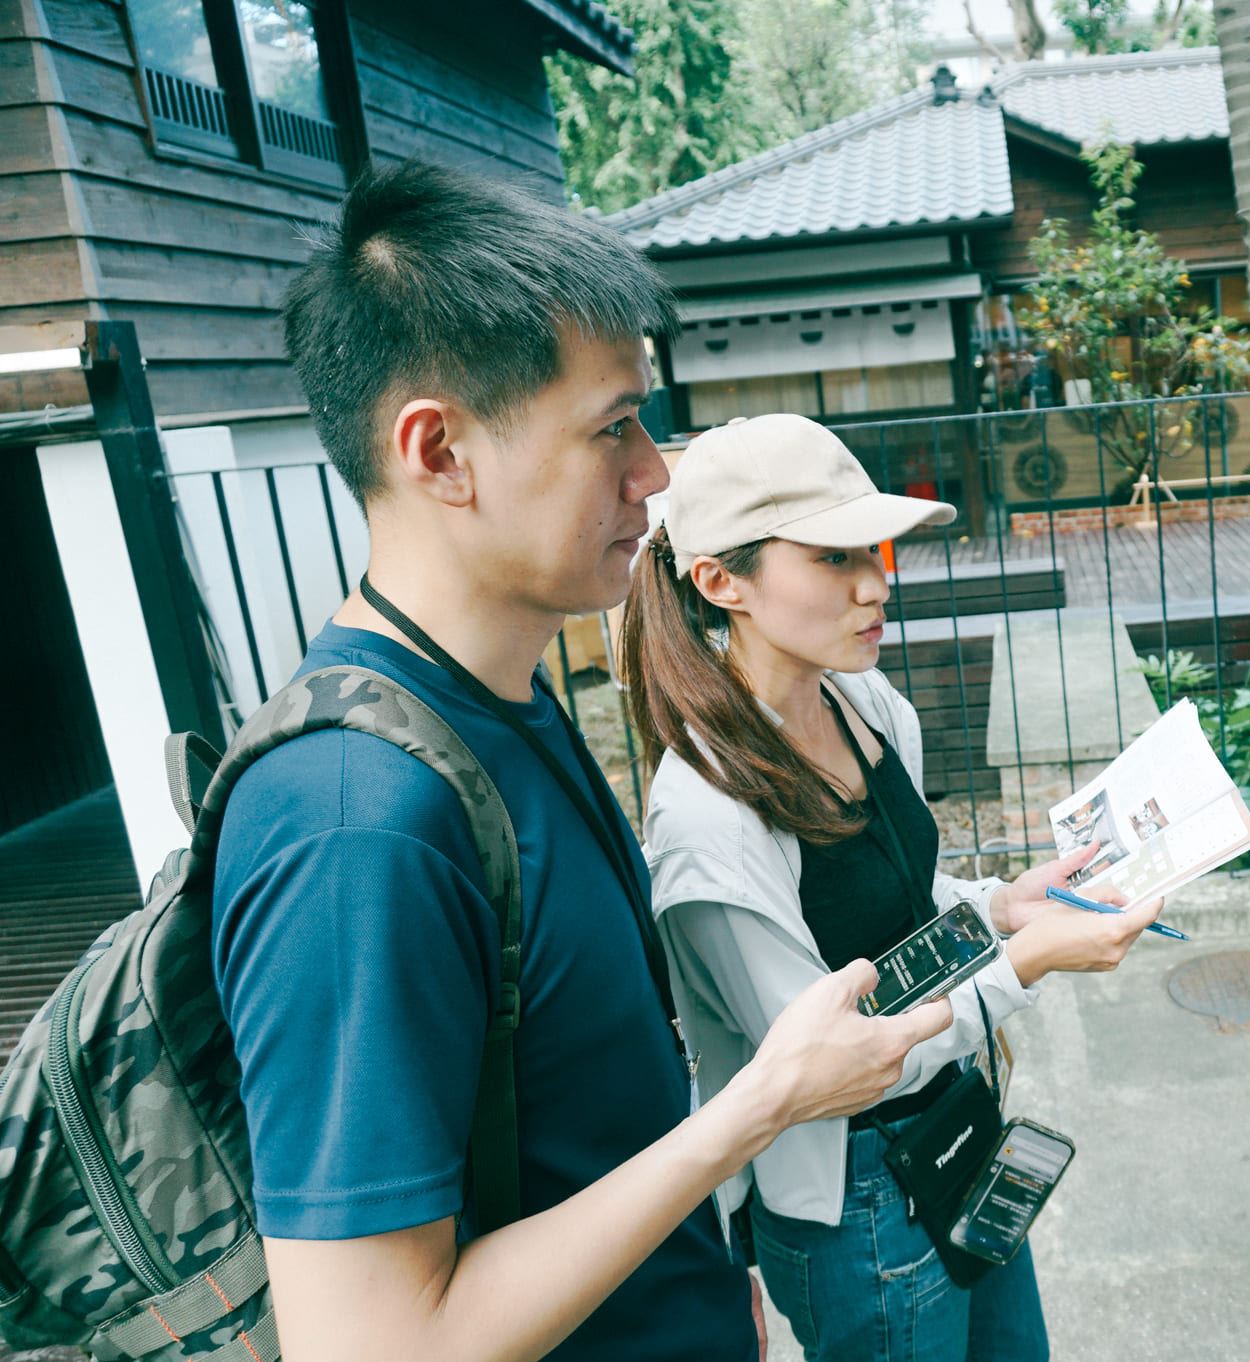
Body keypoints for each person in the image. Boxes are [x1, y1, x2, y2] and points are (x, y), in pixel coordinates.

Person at [209, 164, 952, 1362]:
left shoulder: (506, 710)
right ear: (438, 453)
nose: (654, 472)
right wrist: (760, 1107)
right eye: (613, 426)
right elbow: (374, 1345)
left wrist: (715, 1274)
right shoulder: (354, 822)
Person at [621, 414, 1164, 1362]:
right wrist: (1023, 963)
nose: (877, 583)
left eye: (872, 548)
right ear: (721, 580)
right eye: (833, 557)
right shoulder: (707, 816)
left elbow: (891, 901)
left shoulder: (862, 700)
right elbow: (833, 1065)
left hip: (957, 1130)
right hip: (858, 1204)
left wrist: (999, 906)